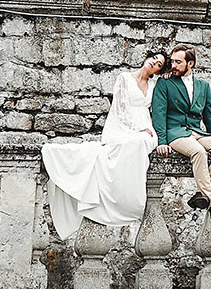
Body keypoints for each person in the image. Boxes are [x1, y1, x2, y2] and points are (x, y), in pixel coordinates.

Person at [39, 49, 167, 241]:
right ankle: (116, 197)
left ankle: (129, 199)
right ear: (147, 57)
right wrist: (135, 129)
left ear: (159, 71)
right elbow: (120, 109)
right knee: (131, 142)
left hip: (145, 126)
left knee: (144, 141)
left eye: (159, 64)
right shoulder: (125, 78)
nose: (154, 63)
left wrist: (167, 76)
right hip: (122, 125)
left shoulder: (155, 84)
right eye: (154, 58)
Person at [152, 45, 211, 220]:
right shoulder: (165, 82)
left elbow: (209, 116)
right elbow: (159, 114)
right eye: (172, 61)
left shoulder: (203, 86)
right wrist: (161, 141)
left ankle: (200, 194)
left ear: (190, 63)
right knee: (199, 152)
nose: (173, 65)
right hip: (175, 133)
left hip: (196, 132)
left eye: (178, 62)